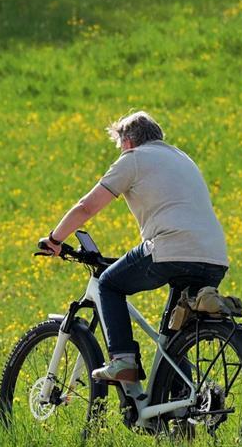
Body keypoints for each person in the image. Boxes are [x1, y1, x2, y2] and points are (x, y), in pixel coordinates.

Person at [38, 111, 229, 384]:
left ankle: (123, 360)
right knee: (174, 335)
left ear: (127, 142)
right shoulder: (183, 158)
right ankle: (181, 402)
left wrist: (55, 240)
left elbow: (86, 207)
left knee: (108, 284)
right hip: (214, 256)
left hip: (170, 249)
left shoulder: (134, 158)